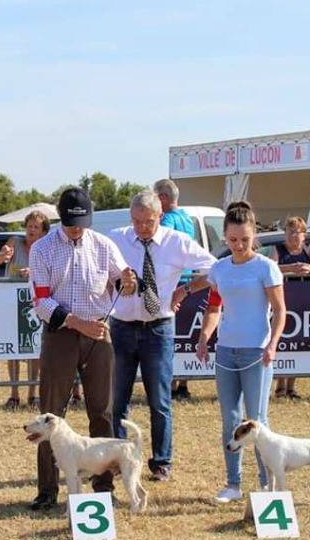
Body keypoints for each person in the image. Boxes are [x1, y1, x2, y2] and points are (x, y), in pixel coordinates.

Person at [27, 187, 137, 510]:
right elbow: (42, 302)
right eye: (72, 223)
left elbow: (121, 284)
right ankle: (48, 490)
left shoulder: (104, 245)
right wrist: (78, 323)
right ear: (61, 218)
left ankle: (103, 487)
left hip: (99, 334)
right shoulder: (42, 249)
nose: (77, 229)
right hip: (61, 334)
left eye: (82, 222)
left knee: (102, 411)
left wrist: (127, 282)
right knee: (51, 413)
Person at [107, 190, 216, 481]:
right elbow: (99, 273)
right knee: (118, 399)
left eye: (149, 221)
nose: (142, 227)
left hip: (159, 328)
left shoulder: (175, 241)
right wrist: (116, 282)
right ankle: (118, 459)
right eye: (137, 221)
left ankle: (162, 462)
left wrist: (187, 288)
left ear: (160, 217)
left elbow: (215, 269)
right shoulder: (115, 238)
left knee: (160, 400)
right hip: (122, 326)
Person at [196, 204, 285, 503]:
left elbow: (280, 311)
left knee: (257, 420)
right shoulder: (220, 269)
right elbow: (214, 307)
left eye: (244, 239)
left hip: (256, 352)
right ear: (225, 237)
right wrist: (205, 336)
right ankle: (233, 483)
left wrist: (272, 344)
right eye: (233, 240)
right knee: (230, 418)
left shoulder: (265, 267)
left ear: (253, 234)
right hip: (226, 352)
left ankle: (265, 485)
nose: (238, 245)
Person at [0, 210, 51, 410]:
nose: (31, 230)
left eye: (36, 227)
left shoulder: (44, 248)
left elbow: (50, 273)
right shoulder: (15, 242)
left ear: (43, 232)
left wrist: (34, 273)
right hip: (12, 302)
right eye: (29, 226)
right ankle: (14, 395)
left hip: (35, 304)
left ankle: (33, 395)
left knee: (34, 350)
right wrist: (2, 255)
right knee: (13, 349)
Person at [267, 216, 310, 400]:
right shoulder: (277, 249)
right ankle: (279, 385)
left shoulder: (309, 249)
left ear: (304, 235)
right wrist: (290, 268)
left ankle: (291, 387)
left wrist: (309, 268)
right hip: (281, 299)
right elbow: (270, 267)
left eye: (296, 232)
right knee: (281, 340)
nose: (292, 236)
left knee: (298, 342)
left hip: (304, 300)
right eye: (289, 232)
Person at [153, 178, 196, 400]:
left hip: (172, 284)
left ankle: (168, 384)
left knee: (168, 337)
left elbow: (160, 245)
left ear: (163, 198)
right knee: (185, 337)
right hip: (189, 283)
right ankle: (183, 384)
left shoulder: (167, 221)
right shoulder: (188, 219)